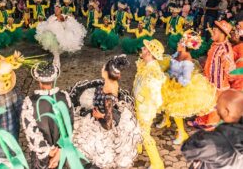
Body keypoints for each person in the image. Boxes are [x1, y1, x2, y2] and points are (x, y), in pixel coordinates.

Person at [71, 55, 142, 169]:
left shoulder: (109, 96)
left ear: (106, 73)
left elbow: (108, 125)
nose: (102, 68)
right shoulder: (111, 83)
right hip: (106, 111)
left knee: (85, 144)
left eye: (103, 67)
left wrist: (99, 116)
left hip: (103, 121)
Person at [157, 31, 216, 145]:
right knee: (165, 102)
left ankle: (182, 133)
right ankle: (166, 119)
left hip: (180, 89)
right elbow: (170, 62)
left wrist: (175, 77)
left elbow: (186, 81)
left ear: (184, 45)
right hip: (170, 82)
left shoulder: (187, 61)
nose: (178, 43)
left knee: (175, 109)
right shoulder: (177, 53)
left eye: (180, 42)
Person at [21, 62, 73, 169]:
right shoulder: (64, 96)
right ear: (53, 80)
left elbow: (31, 131)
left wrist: (48, 151)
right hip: (61, 153)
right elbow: (70, 124)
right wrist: (60, 149)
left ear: (39, 81)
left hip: (42, 156)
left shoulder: (30, 102)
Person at [181, 90, 243, 169]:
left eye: (218, 105)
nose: (216, 107)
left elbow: (188, 149)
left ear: (226, 111)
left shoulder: (218, 141)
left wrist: (206, 132)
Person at [191, 20, 235, 129]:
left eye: (215, 30)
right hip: (209, 81)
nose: (212, 31)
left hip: (219, 85)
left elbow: (230, 70)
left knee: (214, 107)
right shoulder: (215, 45)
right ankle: (201, 121)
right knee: (206, 102)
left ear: (222, 33)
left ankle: (210, 127)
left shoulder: (225, 49)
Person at [132, 39, 166, 169]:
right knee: (137, 129)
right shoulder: (145, 65)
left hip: (145, 110)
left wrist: (147, 109)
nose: (142, 49)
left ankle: (157, 164)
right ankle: (138, 149)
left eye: (145, 48)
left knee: (145, 134)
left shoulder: (153, 72)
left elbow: (156, 97)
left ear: (150, 53)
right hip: (139, 106)